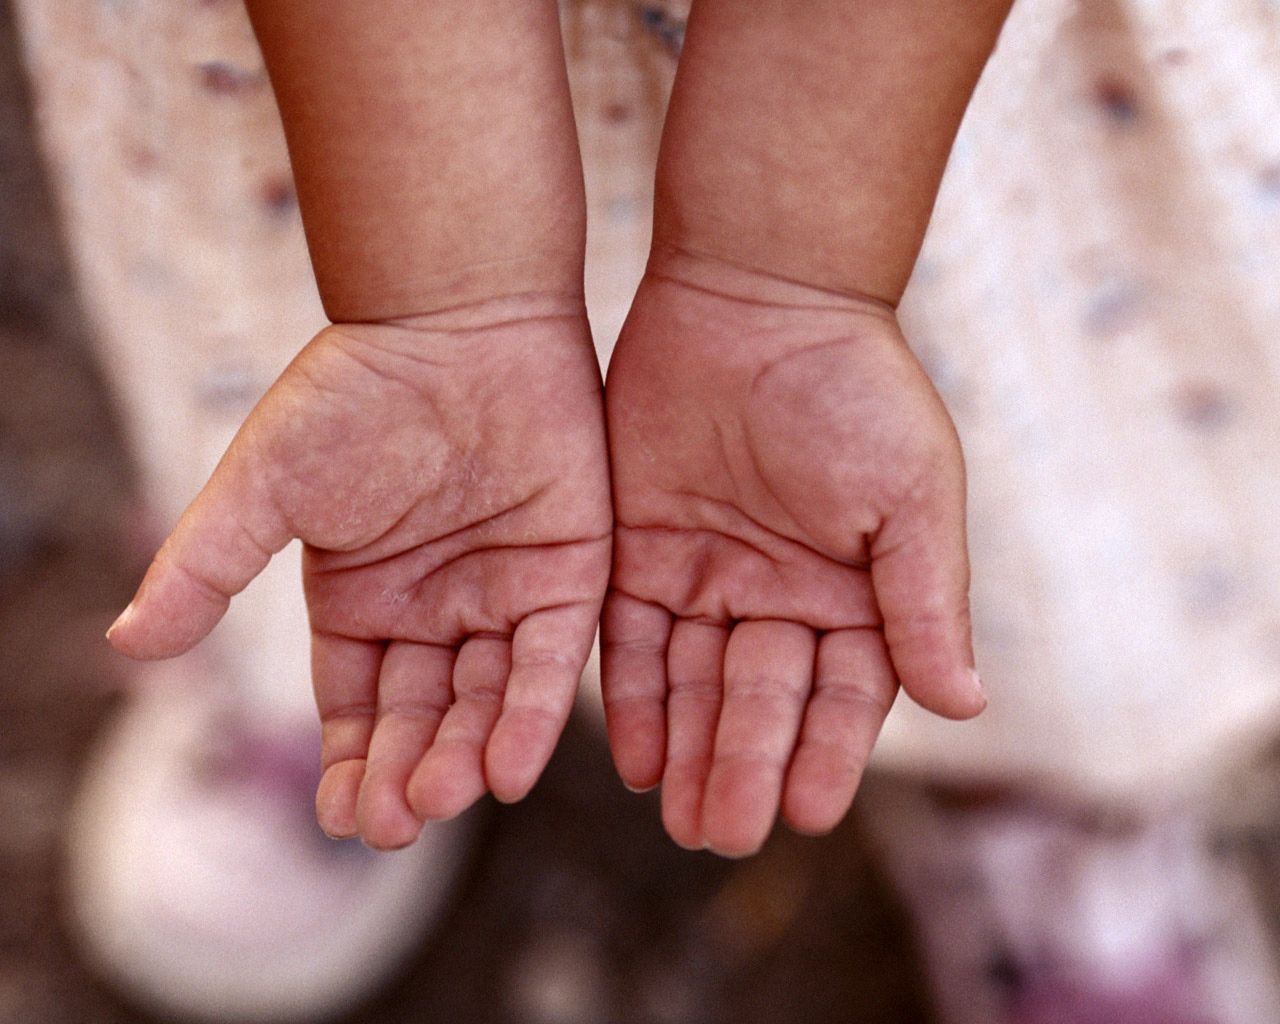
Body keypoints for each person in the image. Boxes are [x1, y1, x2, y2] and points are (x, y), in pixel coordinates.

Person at [103, 0, 1007, 859]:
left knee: (1008, 518)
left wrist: (799, 278)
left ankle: (1029, 775)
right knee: (338, 460)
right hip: (359, 100)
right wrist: (432, 307)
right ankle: (278, 678)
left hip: (886, 97)